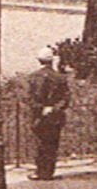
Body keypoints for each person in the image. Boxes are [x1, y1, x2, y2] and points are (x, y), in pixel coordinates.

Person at [26, 46, 70, 181]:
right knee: (52, 143)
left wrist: (41, 108)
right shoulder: (60, 78)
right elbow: (65, 98)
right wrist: (53, 108)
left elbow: (30, 99)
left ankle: (40, 171)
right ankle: (48, 172)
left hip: (38, 116)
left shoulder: (32, 77)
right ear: (52, 61)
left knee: (40, 143)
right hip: (55, 116)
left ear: (39, 61)